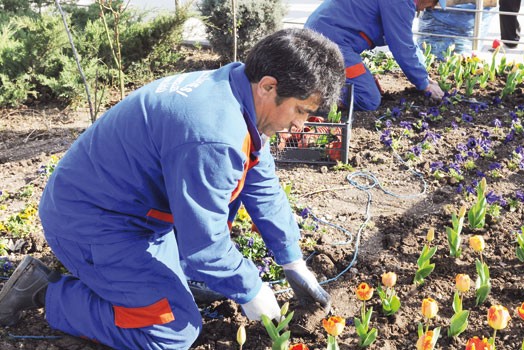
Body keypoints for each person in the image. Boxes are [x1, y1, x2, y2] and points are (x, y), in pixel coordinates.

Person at [0, 28, 344, 349]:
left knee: (197, 283)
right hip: (93, 222)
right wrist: (251, 290)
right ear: (268, 86)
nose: (300, 124)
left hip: (132, 213)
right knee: (173, 328)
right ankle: (48, 293)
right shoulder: (214, 133)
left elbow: (261, 181)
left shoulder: (237, 92)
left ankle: (132, 283)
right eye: (300, 110)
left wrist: (292, 260)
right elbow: (205, 245)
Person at [305, 0, 446, 112]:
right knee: (367, 98)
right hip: (330, 42)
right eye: (434, 2)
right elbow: (402, 47)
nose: (431, 7)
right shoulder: (400, 2)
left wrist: (424, 77)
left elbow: (406, 40)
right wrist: (425, 84)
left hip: (325, 35)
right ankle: (307, 98)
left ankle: (316, 84)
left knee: (364, 89)